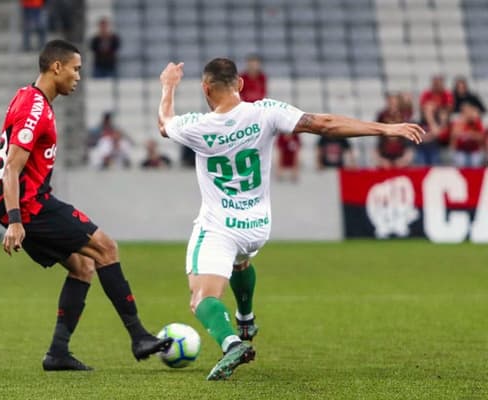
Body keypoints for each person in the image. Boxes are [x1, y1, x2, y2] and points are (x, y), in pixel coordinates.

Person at [157, 59, 424, 380]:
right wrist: (384, 128)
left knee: (201, 299)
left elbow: (164, 123)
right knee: (241, 262)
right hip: (257, 225)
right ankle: (246, 316)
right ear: (240, 84)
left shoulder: (197, 126)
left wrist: (168, 85)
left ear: (205, 88)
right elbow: (323, 123)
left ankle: (231, 344)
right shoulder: (266, 111)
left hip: (219, 226)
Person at [0, 40, 171, 372]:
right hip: (30, 204)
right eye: (75, 69)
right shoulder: (34, 108)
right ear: (56, 67)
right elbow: (12, 168)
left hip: (28, 201)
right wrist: (16, 220)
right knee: (106, 248)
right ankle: (139, 337)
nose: (78, 76)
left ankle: (57, 353)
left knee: (83, 266)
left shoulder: (30, 98)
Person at [450, 103, 485, 167]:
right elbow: (454, 134)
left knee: (475, 163)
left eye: (469, 112)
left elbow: (481, 137)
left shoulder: (477, 122)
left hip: (474, 150)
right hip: (461, 150)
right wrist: (463, 122)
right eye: (465, 112)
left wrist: (472, 134)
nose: (468, 114)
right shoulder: (458, 122)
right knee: (461, 162)